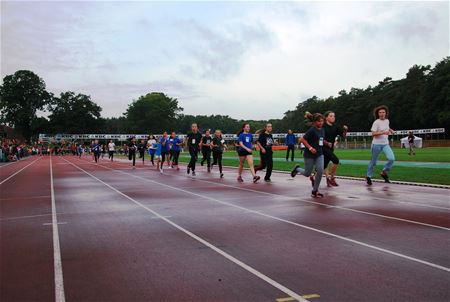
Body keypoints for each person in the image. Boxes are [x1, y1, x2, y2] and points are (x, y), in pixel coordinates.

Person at [291, 112, 326, 198]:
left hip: (319, 154)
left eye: (322, 121)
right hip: (309, 155)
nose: (321, 123)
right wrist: (310, 148)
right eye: (319, 121)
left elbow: (320, 140)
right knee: (307, 173)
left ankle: (315, 190)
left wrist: (326, 143)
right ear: (314, 122)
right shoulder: (311, 130)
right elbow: (302, 140)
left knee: (320, 170)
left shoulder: (322, 130)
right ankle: (297, 169)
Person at [366, 105, 395, 185]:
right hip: (376, 144)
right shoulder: (376, 122)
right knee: (373, 162)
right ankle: (368, 176)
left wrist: (390, 130)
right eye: (380, 112)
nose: (382, 114)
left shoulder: (387, 121)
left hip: (385, 144)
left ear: (386, 113)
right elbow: (373, 133)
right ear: (378, 114)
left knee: (391, 158)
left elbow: (387, 127)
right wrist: (383, 132)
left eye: (383, 112)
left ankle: (384, 172)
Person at [323, 111, 348, 187]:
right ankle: (332, 178)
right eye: (331, 116)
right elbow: (319, 138)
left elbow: (343, 136)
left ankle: (325, 178)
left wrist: (345, 130)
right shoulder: (323, 126)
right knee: (336, 160)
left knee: (324, 165)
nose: (333, 117)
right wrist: (327, 143)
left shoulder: (335, 126)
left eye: (334, 116)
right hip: (323, 148)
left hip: (331, 148)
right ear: (326, 117)